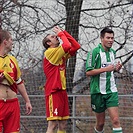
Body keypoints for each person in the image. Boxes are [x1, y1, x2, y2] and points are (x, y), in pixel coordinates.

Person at [42, 26, 80, 133]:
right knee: (52, 124)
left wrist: (63, 32)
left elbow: (76, 46)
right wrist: (60, 34)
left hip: (61, 91)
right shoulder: (50, 52)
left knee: (63, 124)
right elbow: (67, 45)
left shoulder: (60, 54)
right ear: (49, 43)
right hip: (53, 91)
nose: (56, 37)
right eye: (53, 37)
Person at [86, 27, 123, 133]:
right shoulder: (94, 52)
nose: (111, 40)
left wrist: (117, 69)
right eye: (108, 38)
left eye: (112, 38)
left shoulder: (113, 52)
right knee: (100, 124)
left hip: (111, 91)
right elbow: (88, 72)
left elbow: (111, 70)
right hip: (97, 92)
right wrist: (105, 69)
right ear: (101, 38)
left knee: (115, 121)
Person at [0, 29, 32, 133]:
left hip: (13, 104)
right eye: (11, 39)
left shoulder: (12, 59)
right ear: (5, 41)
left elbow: (19, 82)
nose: (12, 42)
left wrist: (27, 101)